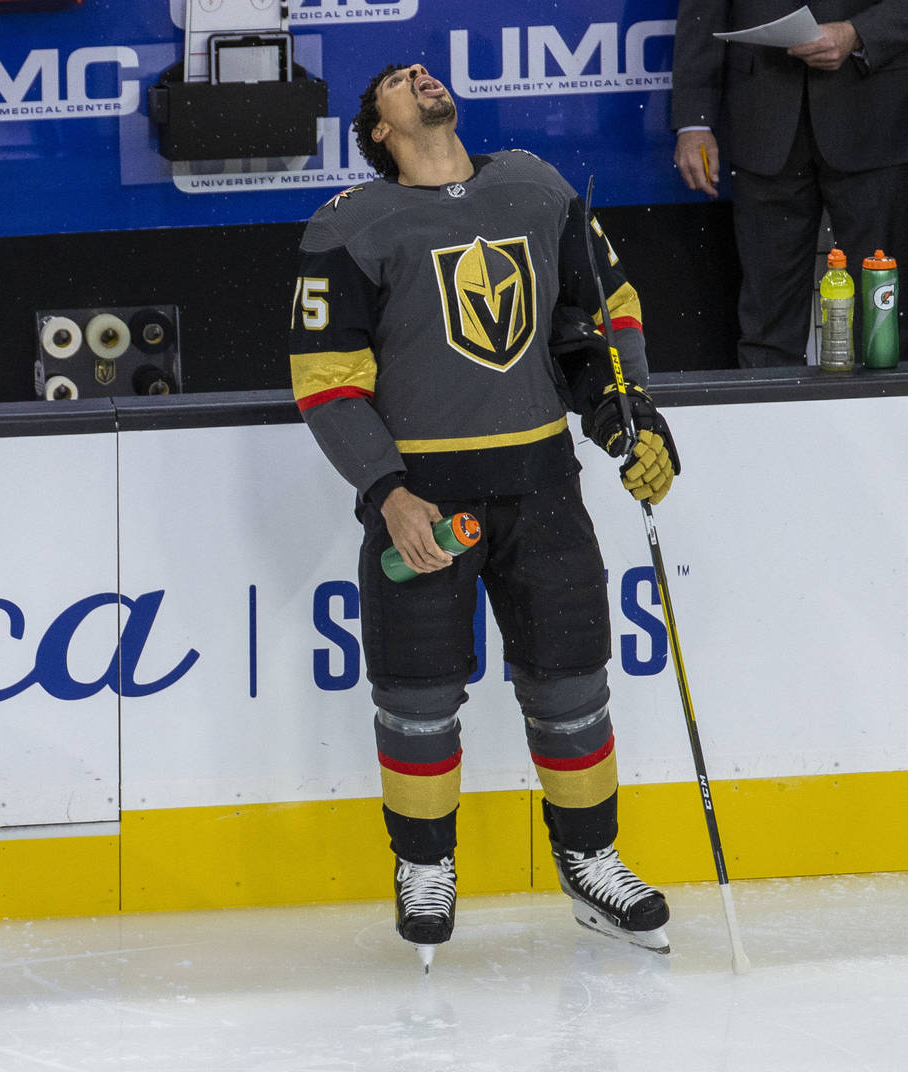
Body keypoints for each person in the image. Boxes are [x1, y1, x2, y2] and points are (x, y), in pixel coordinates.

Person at [289, 62, 680, 965]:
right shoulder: (351, 225)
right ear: (377, 130)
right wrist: (387, 493)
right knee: (418, 694)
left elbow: (601, 314)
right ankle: (424, 868)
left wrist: (628, 412)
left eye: (422, 70)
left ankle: (591, 862)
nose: (419, 76)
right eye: (393, 80)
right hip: (423, 496)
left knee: (570, 683)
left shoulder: (534, 187)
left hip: (542, 481)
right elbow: (327, 384)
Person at [671, 0, 908, 367]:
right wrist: (694, 120)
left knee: (887, 328)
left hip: (877, 126)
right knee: (766, 330)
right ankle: (768, 441)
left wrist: (859, 33)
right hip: (764, 127)